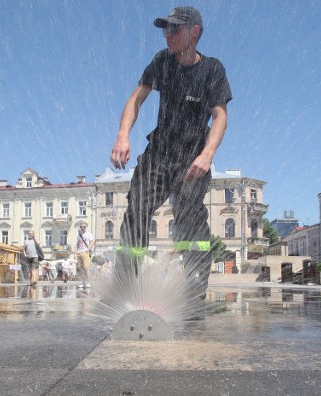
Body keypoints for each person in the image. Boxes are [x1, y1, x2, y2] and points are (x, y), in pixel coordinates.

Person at [109, 6, 231, 300]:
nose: (168, 35)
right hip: (158, 155)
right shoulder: (162, 61)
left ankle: (194, 293)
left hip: (192, 159)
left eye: (174, 29)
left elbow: (220, 116)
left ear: (195, 32)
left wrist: (207, 154)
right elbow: (137, 98)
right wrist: (123, 135)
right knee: (137, 209)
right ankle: (125, 287)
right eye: (165, 29)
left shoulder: (212, 69)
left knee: (189, 219)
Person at [76, 222, 94, 289]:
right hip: (79, 252)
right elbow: (77, 243)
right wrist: (76, 252)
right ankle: (83, 282)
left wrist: (88, 249)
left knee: (86, 268)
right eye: (81, 227)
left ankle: (88, 282)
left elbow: (92, 242)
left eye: (83, 227)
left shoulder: (88, 234)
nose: (82, 228)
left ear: (86, 227)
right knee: (81, 269)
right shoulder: (79, 235)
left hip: (85, 252)